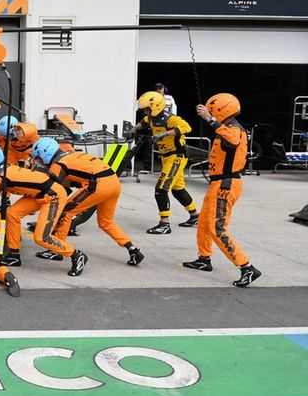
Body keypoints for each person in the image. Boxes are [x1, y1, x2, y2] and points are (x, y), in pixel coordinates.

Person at [183, 94, 261, 287]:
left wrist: (210, 120)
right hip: (217, 184)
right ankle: (204, 259)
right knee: (203, 222)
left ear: (221, 110)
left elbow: (233, 140)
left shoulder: (235, 130)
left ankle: (247, 267)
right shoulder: (227, 128)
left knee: (217, 228)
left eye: (212, 110)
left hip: (227, 184)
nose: (210, 113)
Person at [0, 143, 87, 276]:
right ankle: (14, 255)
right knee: (12, 214)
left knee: (41, 238)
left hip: (53, 196)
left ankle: (76, 255)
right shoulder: (0, 172)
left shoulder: (0, 176)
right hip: (40, 193)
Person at [31, 137, 144, 265]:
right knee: (106, 222)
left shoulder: (57, 164)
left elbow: (55, 189)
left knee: (66, 212)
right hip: (114, 182)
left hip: (98, 184)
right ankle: (132, 249)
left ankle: (57, 250)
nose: (39, 162)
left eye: (39, 159)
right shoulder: (69, 153)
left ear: (45, 154)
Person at [135, 91, 199, 234]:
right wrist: (133, 130)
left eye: (147, 109)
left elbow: (187, 127)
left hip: (176, 156)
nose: (145, 112)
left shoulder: (170, 119)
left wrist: (165, 134)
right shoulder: (151, 118)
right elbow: (143, 122)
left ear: (156, 106)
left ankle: (164, 224)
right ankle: (195, 216)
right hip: (166, 156)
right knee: (178, 189)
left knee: (161, 189)